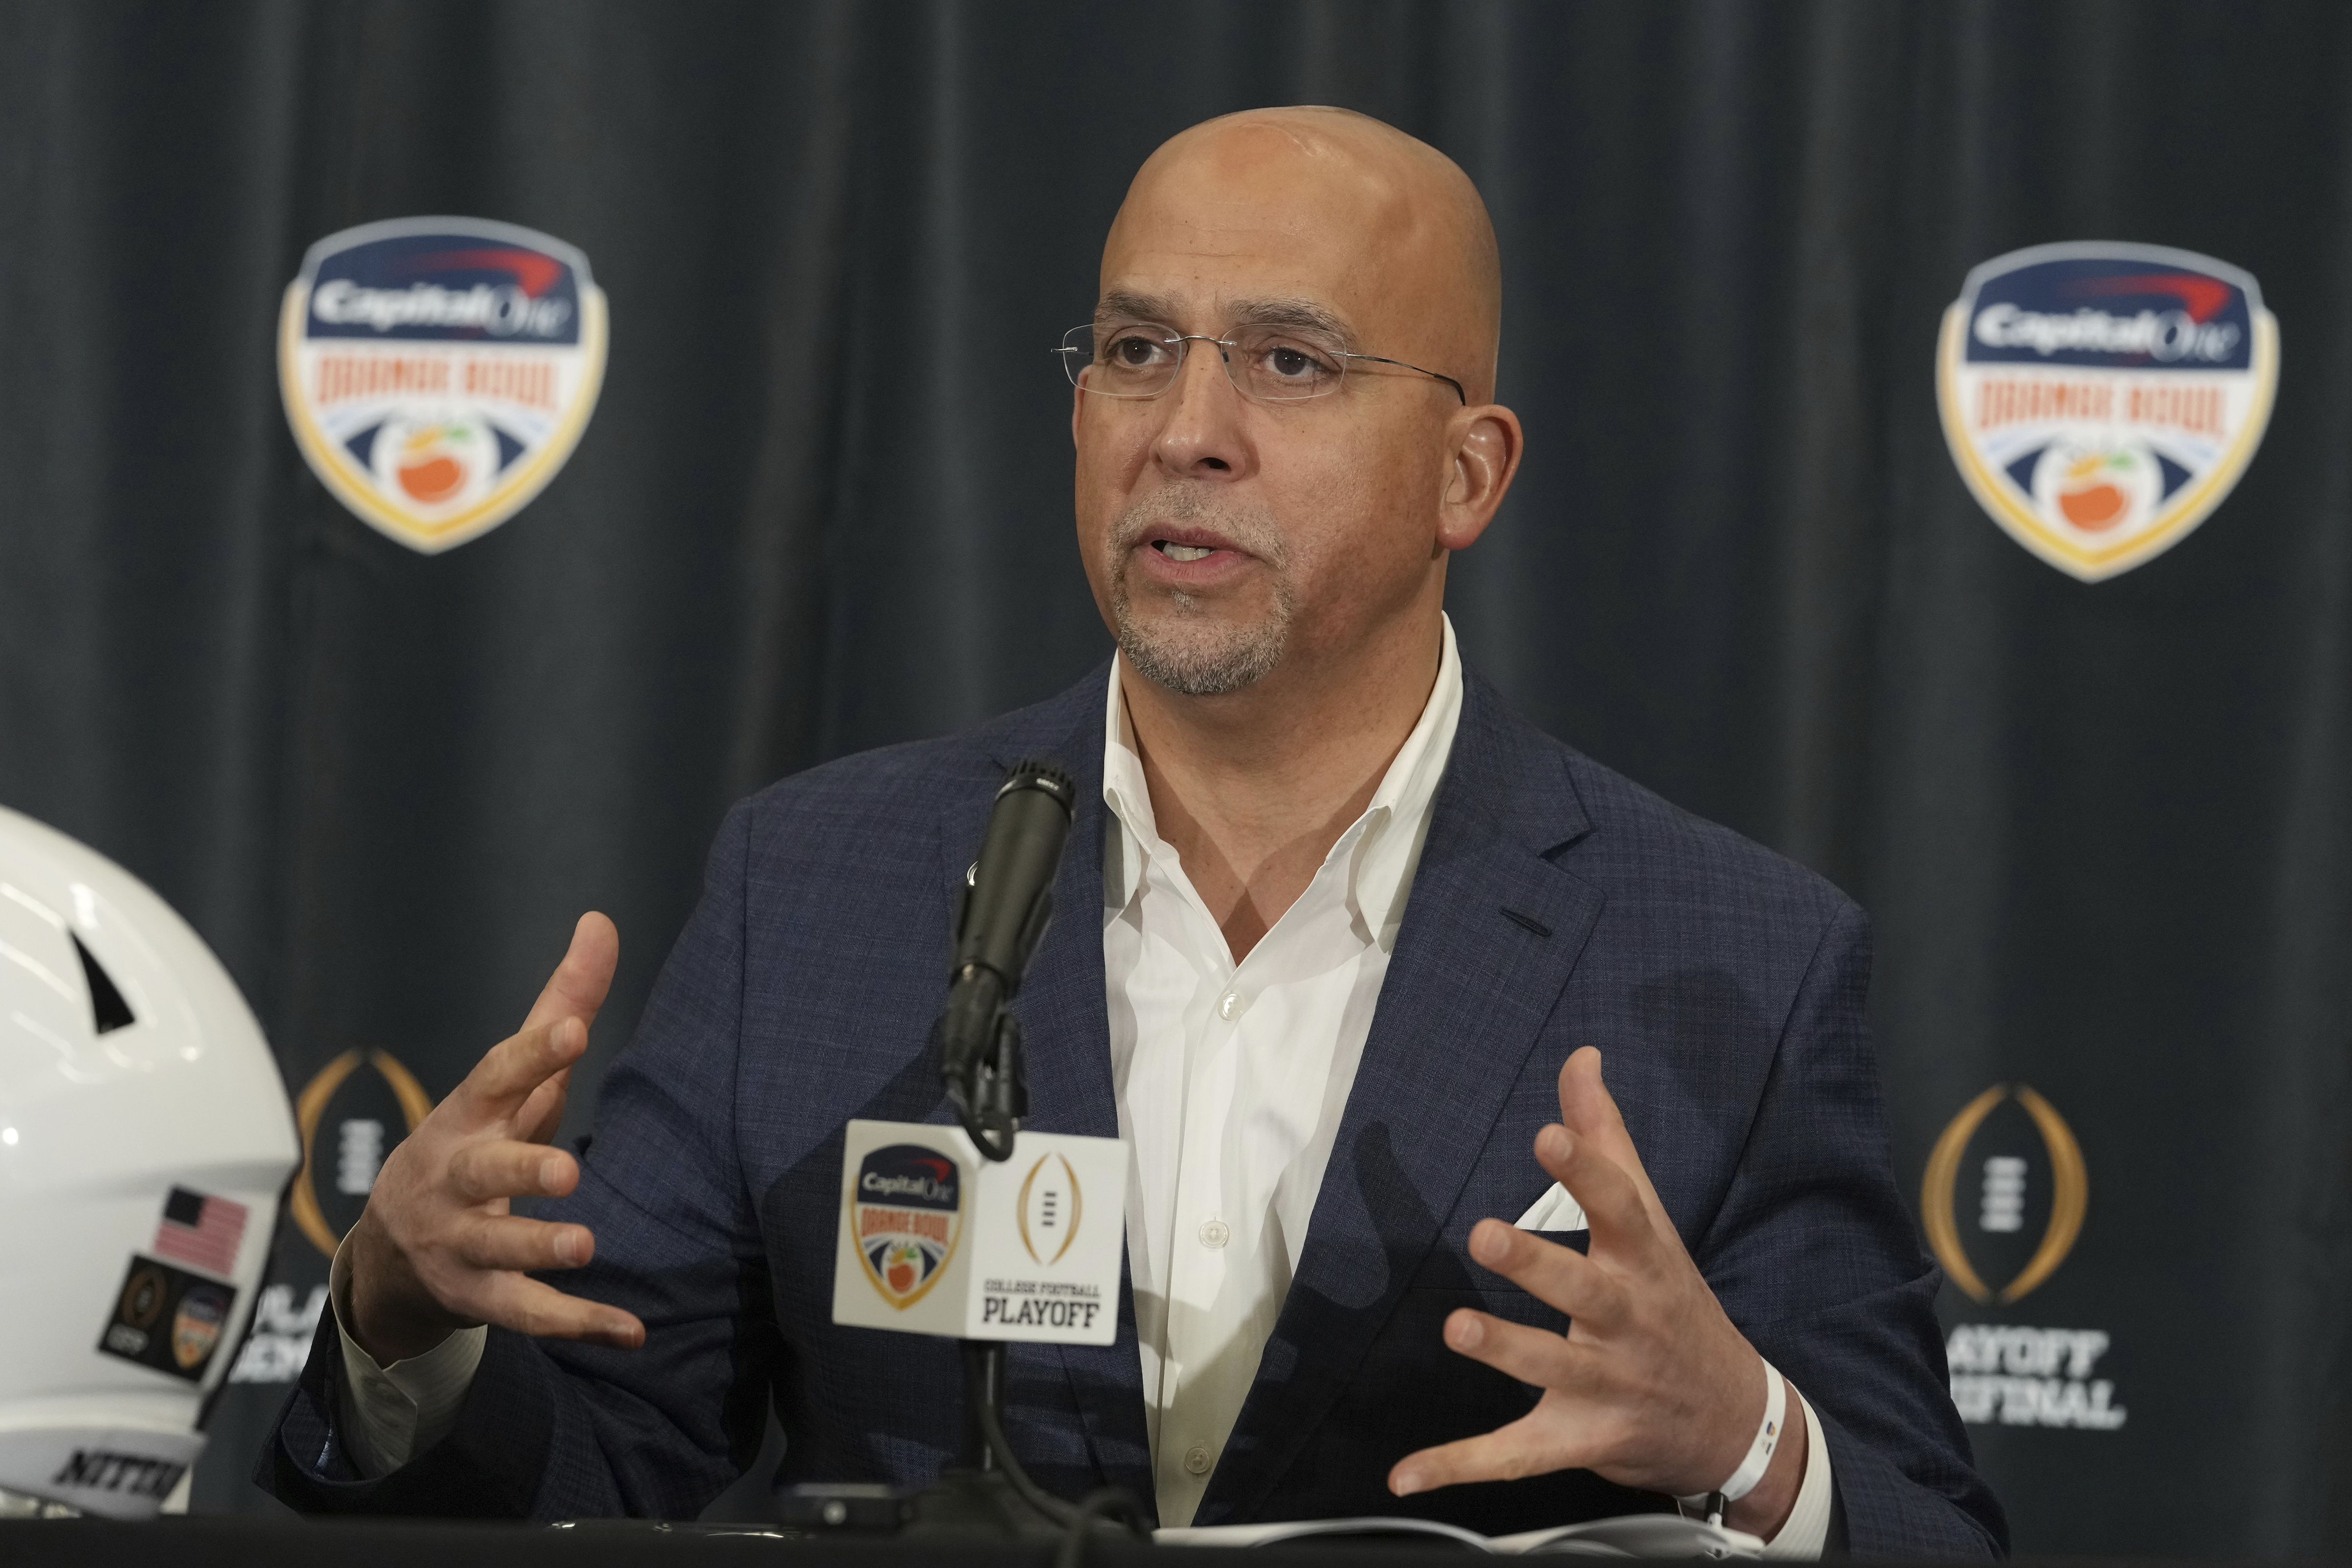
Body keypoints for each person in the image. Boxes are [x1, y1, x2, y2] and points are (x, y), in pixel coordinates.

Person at [261, 107, 2002, 1555]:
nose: (1186, 432)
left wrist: (1749, 1436)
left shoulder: (1729, 953)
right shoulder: (822, 886)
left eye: (1291, 363)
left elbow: (1927, 1522)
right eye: (1137, 350)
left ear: (1468, 473)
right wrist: (404, 1325)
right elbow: (600, 1465)